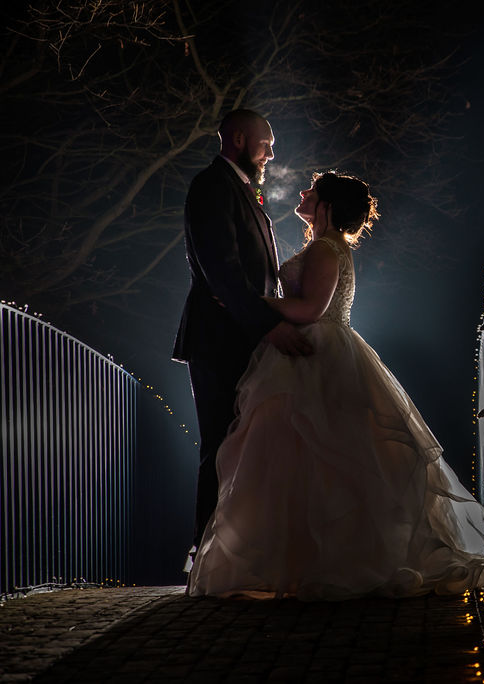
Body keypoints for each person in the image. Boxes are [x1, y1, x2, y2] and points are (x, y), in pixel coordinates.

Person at [186, 172, 484, 599]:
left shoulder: (328, 249)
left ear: (326, 205)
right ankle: (303, 561)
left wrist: (251, 304)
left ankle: (325, 562)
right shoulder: (323, 246)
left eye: (312, 190)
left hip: (319, 356)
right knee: (304, 459)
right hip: (311, 352)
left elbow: (311, 308)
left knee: (317, 454)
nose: (304, 193)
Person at [172, 109, 312, 573]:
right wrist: (269, 325)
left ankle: (234, 552)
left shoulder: (242, 189)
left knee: (242, 444)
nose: (272, 153)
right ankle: (205, 554)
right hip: (218, 339)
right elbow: (223, 272)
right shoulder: (212, 186)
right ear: (237, 138)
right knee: (220, 443)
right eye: (265, 143)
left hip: (241, 337)